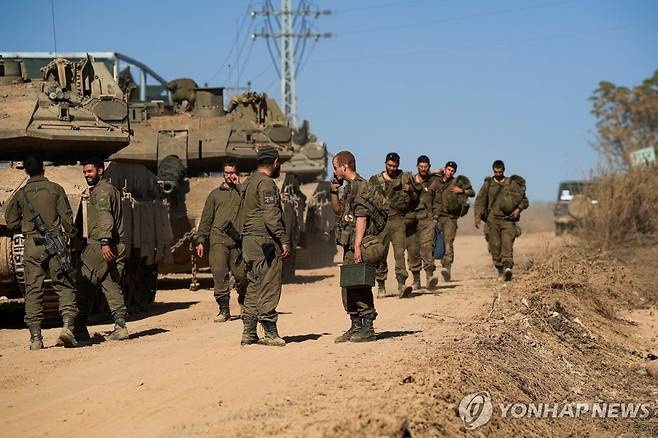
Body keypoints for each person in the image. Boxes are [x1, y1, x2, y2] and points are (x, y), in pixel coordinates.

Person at [4, 155, 79, 350]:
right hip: (55, 243)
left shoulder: (21, 194)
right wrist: (72, 236)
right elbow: (67, 219)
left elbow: (10, 221)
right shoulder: (56, 189)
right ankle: (68, 328)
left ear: (26, 171)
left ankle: (36, 339)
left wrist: (27, 228)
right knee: (64, 285)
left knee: (33, 290)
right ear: (43, 169)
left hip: (32, 245)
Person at [239, 145, 290, 347]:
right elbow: (271, 216)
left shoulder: (249, 182)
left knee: (253, 285)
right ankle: (270, 332)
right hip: (264, 242)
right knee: (269, 284)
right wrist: (283, 239)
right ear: (275, 162)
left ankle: (249, 333)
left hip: (249, 242)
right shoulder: (267, 184)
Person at [76, 157, 129, 343]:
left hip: (102, 244)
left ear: (101, 170)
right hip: (118, 244)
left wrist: (104, 242)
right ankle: (120, 326)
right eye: (84, 172)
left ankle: (78, 328)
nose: (86, 175)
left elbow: (105, 216)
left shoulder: (102, 191)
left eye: (90, 171)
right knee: (110, 283)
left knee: (84, 281)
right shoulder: (111, 189)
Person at [331, 151, 377, 343]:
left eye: (335, 167)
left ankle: (367, 327)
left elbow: (362, 217)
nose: (334, 171)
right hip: (348, 243)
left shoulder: (361, 186)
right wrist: (334, 191)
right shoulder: (349, 187)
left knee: (359, 283)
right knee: (349, 285)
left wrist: (358, 246)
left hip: (358, 242)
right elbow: (338, 211)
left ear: (344, 167)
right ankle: (355, 324)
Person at [195, 158, 247, 323]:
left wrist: (240, 186)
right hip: (218, 240)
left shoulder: (243, 192)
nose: (228, 176)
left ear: (237, 173)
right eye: (226, 173)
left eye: (232, 173)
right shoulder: (215, 195)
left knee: (242, 276)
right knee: (219, 275)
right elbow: (206, 219)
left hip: (239, 242)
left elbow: (252, 205)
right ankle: (224, 310)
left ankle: (245, 304)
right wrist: (201, 239)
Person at [368, 152, 416, 298]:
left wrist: (411, 191)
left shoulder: (405, 179)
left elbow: (415, 199)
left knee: (399, 254)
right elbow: (368, 199)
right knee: (380, 254)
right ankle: (381, 285)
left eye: (395, 166)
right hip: (381, 223)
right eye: (390, 165)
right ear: (385, 163)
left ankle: (402, 285)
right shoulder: (375, 180)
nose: (392, 168)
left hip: (398, 221)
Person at [474, 160, 529, 281]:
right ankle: (499, 268)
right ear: (493, 171)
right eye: (496, 172)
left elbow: (524, 200)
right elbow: (479, 200)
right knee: (495, 246)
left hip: (508, 220)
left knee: (507, 244)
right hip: (492, 220)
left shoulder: (512, 183)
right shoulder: (488, 184)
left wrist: (518, 210)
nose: (498, 174)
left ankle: (508, 268)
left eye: (500, 171)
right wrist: (477, 216)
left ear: (504, 170)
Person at [432, 161, 475, 281]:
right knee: (433, 242)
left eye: (452, 171)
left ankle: (447, 267)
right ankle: (430, 269)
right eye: (448, 169)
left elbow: (472, 193)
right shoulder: (436, 180)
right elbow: (420, 178)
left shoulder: (457, 183)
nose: (450, 172)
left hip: (450, 217)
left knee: (448, 242)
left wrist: (462, 191)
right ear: (444, 169)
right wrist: (433, 172)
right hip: (436, 216)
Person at [406, 155, 441, 290]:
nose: (423, 169)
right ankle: (416, 280)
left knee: (427, 248)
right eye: (421, 167)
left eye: (425, 167)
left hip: (427, 219)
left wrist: (435, 218)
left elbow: (438, 202)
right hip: (412, 220)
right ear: (417, 166)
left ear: (429, 167)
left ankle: (430, 277)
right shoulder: (411, 181)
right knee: (413, 250)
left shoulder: (434, 182)